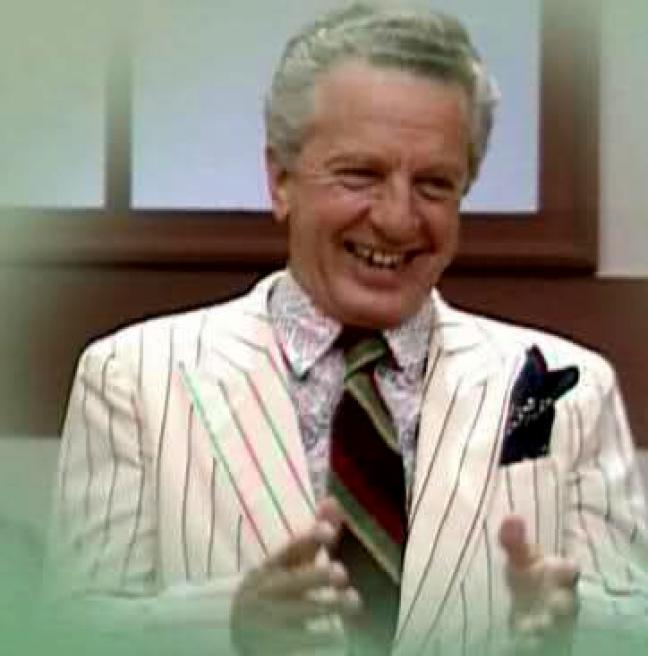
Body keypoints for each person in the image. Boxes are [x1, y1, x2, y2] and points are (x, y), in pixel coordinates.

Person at [44, 3, 648, 655]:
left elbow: (629, 622)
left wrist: (578, 627)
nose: (397, 218)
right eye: (361, 174)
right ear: (281, 181)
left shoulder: (562, 389)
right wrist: (226, 625)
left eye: (434, 185)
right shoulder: (134, 378)